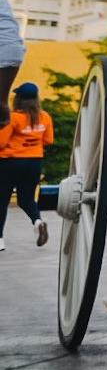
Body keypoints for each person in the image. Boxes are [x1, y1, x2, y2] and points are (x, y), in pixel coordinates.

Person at [0, 82, 51, 252]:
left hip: (9, 162)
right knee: (27, 199)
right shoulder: (44, 117)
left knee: (2, 201)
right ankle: (38, 221)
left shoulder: (13, 117)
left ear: (19, 99)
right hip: (34, 162)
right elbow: (48, 140)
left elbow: (1, 142)